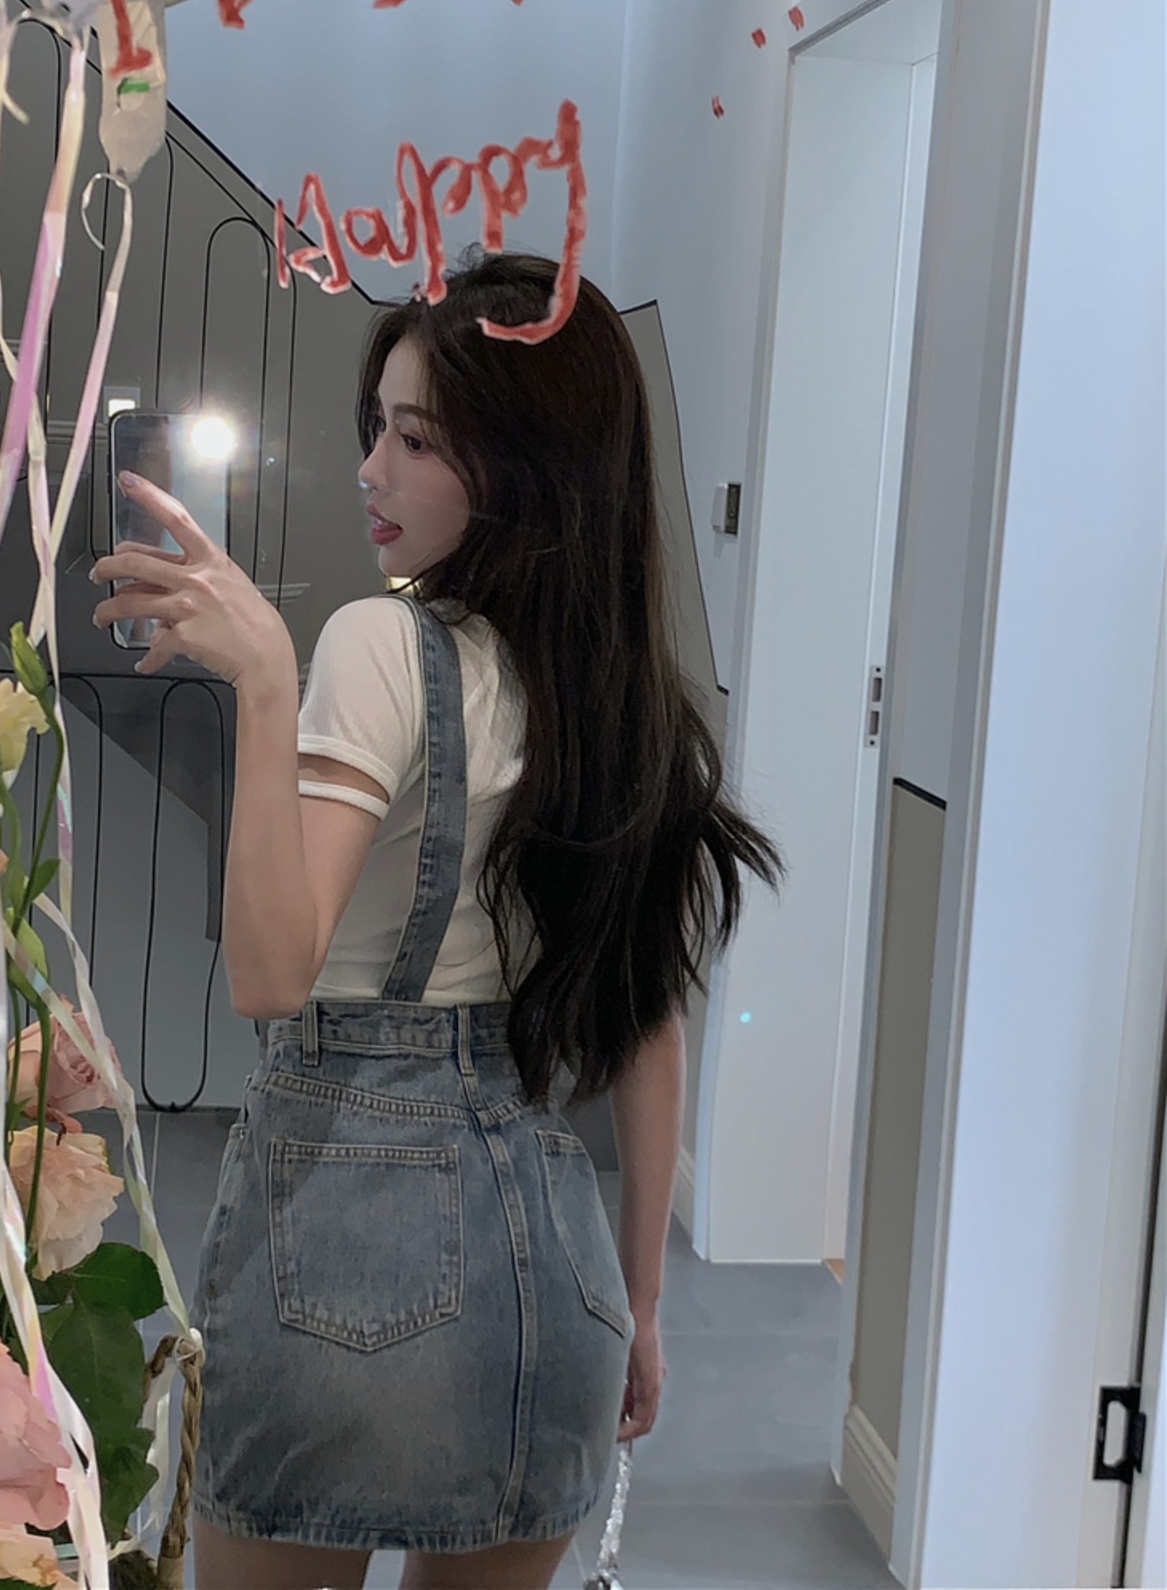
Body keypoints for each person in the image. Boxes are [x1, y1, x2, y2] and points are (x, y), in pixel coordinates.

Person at [91, 250, 784, 1590]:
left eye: (416, 441)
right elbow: (648, 1034)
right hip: (555, 1286)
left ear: (525, 468)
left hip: (340, 1254)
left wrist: (266, 680)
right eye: (379, 431)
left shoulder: (378, 644)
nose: (371, 471)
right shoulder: (625, 706)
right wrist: (641, 1308)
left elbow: (271, 973)